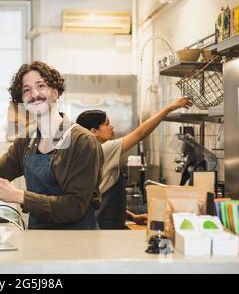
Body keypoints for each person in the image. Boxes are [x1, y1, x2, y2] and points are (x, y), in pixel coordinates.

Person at [0, 61, 103, 230]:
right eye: (26, 90)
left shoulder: (82, 142)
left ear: (55, 92)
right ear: (23, 101)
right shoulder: (26, 140)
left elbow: (74, 207)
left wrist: (20, 196)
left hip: (77, 242)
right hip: (38, 239)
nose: (34, 94)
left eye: (41, 85)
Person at [76, 97, 192, 230]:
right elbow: (140, 134)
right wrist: (168, 109)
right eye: (107, 124)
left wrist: (131, 216)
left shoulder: (87, 151)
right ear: (94, 132)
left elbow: (100, 198)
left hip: (99, 221)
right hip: (105, 225)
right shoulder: (104, 148)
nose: (111, 126)